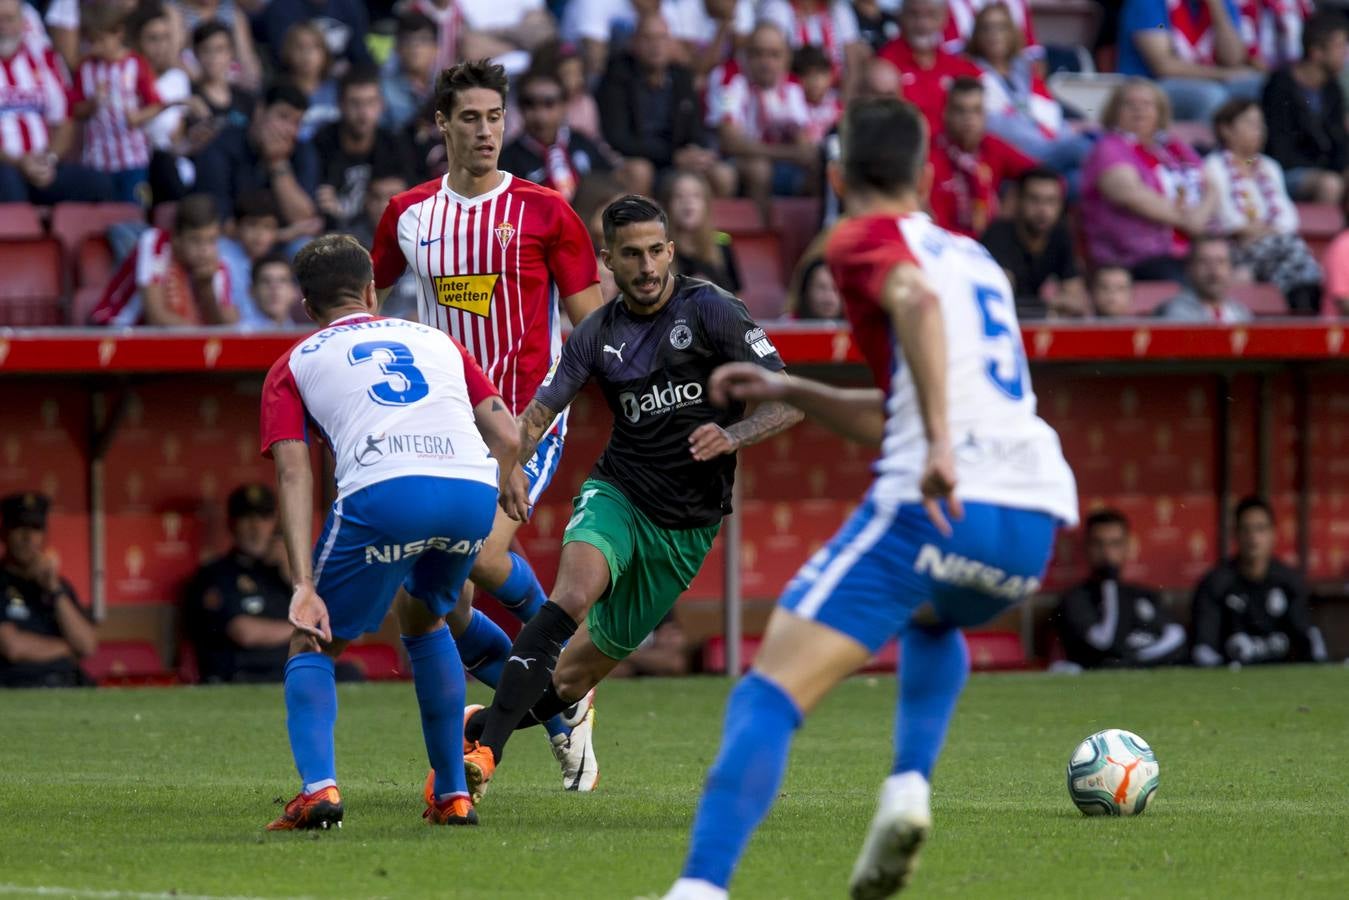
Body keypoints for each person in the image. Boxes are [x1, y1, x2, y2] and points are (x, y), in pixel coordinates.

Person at [662, 96, 1077, 900]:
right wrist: (789, 387)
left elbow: (913, 310)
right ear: (926, 175)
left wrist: (944, 450)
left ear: (835, 174)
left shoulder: (857, 240)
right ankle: (907, 789)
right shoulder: (975, 259)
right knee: (935, 616)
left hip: (938, 504)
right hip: (1027, 524)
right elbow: (901, 411)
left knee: (767, 693)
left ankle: (698, 890)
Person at [459, 194, 804, 805]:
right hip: (619, 492)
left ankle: (481, 729)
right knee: (570, 596)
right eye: (631, 255)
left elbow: (789, 398)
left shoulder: (712, 311)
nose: (646, 267)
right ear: (607, 262)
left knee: (569, 678)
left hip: (686, 530)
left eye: (655, 252)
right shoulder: (596, 334)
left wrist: (732, 434)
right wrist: (509, 466)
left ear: (670, 250)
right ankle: (487, 756)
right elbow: (540, 411)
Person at [370, 60, 606, 791]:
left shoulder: (545, 210)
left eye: (494, 117)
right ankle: (563, 704)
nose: (484, 130)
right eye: (468, 117)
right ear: (441, 124)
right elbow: (366, 307)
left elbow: (592, 325)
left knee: (475, 552)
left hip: (527, 414)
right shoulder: (407, 215)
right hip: (439, 424)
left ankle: (558, 667)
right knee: (436, 603)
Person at [259, 233, 523, 830]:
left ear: (307, 307)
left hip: (386, 489)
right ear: (373, 291)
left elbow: (294, 472)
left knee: (312, 641)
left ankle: (318, 791)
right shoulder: (437, 340)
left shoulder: (294, 363)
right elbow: (507, 434)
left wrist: (304, 583)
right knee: (426, 619)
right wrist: (506, 485)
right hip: (470, 493)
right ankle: (452, 795)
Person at [1081, 79, 1216, 282]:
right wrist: (1189, 221)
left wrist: (1199, 217)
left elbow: (1212, 186)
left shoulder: (1173, 146)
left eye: (1147, 104)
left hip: (1196, 249)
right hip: (1137, 257)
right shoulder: (1109, 148)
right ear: (1114, 111)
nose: (1139, 110)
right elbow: (1131, 194)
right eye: (1130, 104)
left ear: (1160, 112)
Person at [1204, 99, 1322, 314]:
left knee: (1288, 250)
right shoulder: (1213, 166)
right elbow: (1229, 220)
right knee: (1293, 251)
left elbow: (1288, 219)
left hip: (1271, 248)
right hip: (1235, 248)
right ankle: (1305, 308)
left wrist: (1258, 230)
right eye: (1250, 123)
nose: (1259, 131)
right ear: (1226, 129)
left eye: (1261, 125)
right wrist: (1264, 229)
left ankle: (1299, 306)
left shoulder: (1268, 166)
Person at [596, 13, 732, 196]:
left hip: (676, 159)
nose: (656, 45)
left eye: (662, 38)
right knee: (641, 172)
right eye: (648, 38)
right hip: (638, 159)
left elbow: (695, 128)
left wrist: (697, 153)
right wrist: (673, 156)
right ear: (634, 43)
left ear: (671, 43)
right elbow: (619, 139)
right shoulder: (616, 77)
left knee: (723, 174)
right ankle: (641, 224)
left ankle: (711, 225)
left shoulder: (682, 77)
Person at [184, 484, 305, 682]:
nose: (256, 527)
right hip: (242, 676)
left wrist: (293, 572)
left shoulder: (285, 572)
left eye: (264, 518)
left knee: (347, 672)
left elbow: (324, 618)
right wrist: (303, 630)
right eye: (247, 518)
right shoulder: (215, 574)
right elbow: (244, 632)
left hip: (289, 672)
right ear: (232, 523)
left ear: (274, 523)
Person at [1191, 497, 1328, 666]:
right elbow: (1204, 649)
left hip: (1282, 678)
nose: (1253, 537)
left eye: (1260, 529)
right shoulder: (1216, 583)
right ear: (1236, 535)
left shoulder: (1290, 582)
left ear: (1273, 534)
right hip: (1230, 679)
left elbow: (1308, 639)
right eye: (1246, 529)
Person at [0, 0, 113, 204]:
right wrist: (18, 162)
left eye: (9, 19)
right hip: (5, 166)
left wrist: (49, 159)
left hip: (44, 164)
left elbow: (64, 120)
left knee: (99, 185)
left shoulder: (44, 60)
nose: (3, 26)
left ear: (22, 22)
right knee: (7, 182)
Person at [965, 3, 1090, 183]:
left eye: (1001, 27)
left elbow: (1047, 112)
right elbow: (996, 126)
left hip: (1050, 147)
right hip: (1019, 153)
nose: (994, 35)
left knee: (1078, 181)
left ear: (1012, 33)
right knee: (1085, 148)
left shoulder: (1025, 70)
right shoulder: (969, 73)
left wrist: (1067, 131)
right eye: (987, 28)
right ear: (976, 35)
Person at [708, 21, 817, 223]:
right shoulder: (730, 78)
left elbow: (805, 146)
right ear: (746, 56)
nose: (766, 62)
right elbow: (730, 142)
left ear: (787, 58)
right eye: (758, 54)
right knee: (759, 168)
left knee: (821, 168)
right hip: (733, 163)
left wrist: (798, 152)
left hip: (780, 165)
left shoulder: (792, 85)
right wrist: (787, 152)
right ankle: (761, 239)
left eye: (774, 54)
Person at [1054, 509, 1187, 669]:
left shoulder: (1144, 594)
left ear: (1128, 546)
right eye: (1098, 544)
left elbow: (1176, 638)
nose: (1107, 552)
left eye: (1115, 543)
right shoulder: (1076, 599)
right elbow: (1107, 645)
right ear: (1087, 547)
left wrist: (1131, 660)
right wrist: (1110, 584)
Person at [90, 193, 237, 326]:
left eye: (211, 240)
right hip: (116, 328)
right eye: (195, 240)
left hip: (167, 343)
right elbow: (156, 317)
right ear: (176, 237)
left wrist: (206, 287)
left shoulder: (218, 263)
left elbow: (223, 326)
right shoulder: (155, 243)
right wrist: (197, 339)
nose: (205, 251)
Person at [71, 2, 167, 206]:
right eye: (91, 41)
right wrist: (92, 104)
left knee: (133, 210)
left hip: (132, 158)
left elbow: (157, 104)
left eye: (101, 40)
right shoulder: (86, 68)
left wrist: (139, 117)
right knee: (102, 217)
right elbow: (75, 110)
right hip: (97, 161)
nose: (95, 47)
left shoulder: (136, 64)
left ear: (118, 33)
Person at [0, 492, 98, 689]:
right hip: (18, 686)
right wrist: (68, 648)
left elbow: (87, 645)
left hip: (67, 683)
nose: (28, 537)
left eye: (36, 529)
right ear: (4, 533)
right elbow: (13, 647)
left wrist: (54, 590)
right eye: (20, 528)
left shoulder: (57, 585)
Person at [192, 82, 321, 230]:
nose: (289, 130)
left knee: (302, 246)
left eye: (297, 123)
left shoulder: (301, 150)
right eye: (283, 117)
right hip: (230, 240)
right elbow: (216, 220)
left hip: (281, 243)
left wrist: (277, 162)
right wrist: (279, 237)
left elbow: (303, 217)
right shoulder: (221, 146)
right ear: (260, 111)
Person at [1116, 0, 1263, 123]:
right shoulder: (1148, 2)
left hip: (1207, 80)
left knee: (1260, 86)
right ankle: (1207, 155)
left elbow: (1233, 59)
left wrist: (1217, 9)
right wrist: (1224, 75)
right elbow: (1164, 67)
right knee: (1210, 96)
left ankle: (1264, 156)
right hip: (1151, 85)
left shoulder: (1222, 3)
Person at [927, 77, 1034, 240]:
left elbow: (1039, 174)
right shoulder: (929, 152)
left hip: (989, 244)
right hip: (943, 246)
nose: (968, 118)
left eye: (976, 110)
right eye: (960, 110)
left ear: (985, 115)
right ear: (946, 113)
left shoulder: (992, 146)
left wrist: (1009, 207)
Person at [1261, 10, 1349, 207]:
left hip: (1324, 170)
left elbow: (1339, 140)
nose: (1345, 53)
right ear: (1316, 52)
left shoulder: (1332, 88)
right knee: (1330, 185)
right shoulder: (1280, 86)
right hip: (1286, 172)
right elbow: (1279, 146)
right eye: (1339, 46)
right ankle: (1326, 237)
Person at [980, 167, 1089, 318]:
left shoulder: (1060, 235)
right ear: (1018, 200)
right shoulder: (998, 235)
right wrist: (1051, 305)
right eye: (1034, 199)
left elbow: (1076, 300)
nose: (1043, 210)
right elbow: (1001, 299)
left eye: (1051, 201)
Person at [314, 67, 411, 233]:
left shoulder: (394, 144)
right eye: (355, 103)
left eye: (370, 102)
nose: (363, 113)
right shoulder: (321, 144)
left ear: (381, 105)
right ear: (340, 105)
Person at [499, 67, 618, 203]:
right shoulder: (508, 158)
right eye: (530, 104)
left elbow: (608, 180)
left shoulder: (581, 141)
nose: (540, 115)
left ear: (564, 105)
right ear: (520, 108)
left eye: (549, 103)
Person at [877, 0, 981, 134]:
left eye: (930, 15)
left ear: (943, 19)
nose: (922, 24)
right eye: (914, 15)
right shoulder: (885, 64)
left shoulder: (959, 66)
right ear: (901, 17)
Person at [662, 169, 741, 293]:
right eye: (679, 196)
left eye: (696, 196)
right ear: (668, 205)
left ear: (706, 205)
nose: (687, 202)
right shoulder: (659, 250)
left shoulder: (722, 245)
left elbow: (737, 300)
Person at [1156, 236, 1257, 321]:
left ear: (1231, 269)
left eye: (1220, 262)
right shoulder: (1174, 312)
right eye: (1204, 262)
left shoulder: (1241, 313)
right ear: (1189, 269)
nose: (1213, 270)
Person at [256, 0, 373, 72]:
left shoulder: (350, 4)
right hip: (294, 79)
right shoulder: (280, 7)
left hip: (343, 78)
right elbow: (282, 57)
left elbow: (360, 53)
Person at [278, 21, 338, 141]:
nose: (307, 54)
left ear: (325, 53)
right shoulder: (279, 93)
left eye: (314, 47)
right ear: (288, 52)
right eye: (300, 47)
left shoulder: (338, 89)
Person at [381, 10, 438, 132]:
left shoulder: (445, 88)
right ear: (397, 48)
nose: (415, 47)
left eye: (423, 40)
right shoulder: (381, 90)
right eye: (408, 40)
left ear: (436, 49)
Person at [794, 44, 841, 143]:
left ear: (830, 76)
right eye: (807, 74)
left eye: (820, 73)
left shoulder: (837, 108)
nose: (814, 80)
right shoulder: (794, 106)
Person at [248, 253, 302, 328]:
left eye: (282, 280)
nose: (274, 287)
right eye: (266, 281)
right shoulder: (235, 336)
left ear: (295, 291)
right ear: (252, 291)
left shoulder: (308, 336)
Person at [787, 254, 842, 319]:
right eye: (821, 287)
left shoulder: (854, 324)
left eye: (835, 288)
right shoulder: (787, 326)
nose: (828, 296)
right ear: (806, 291)